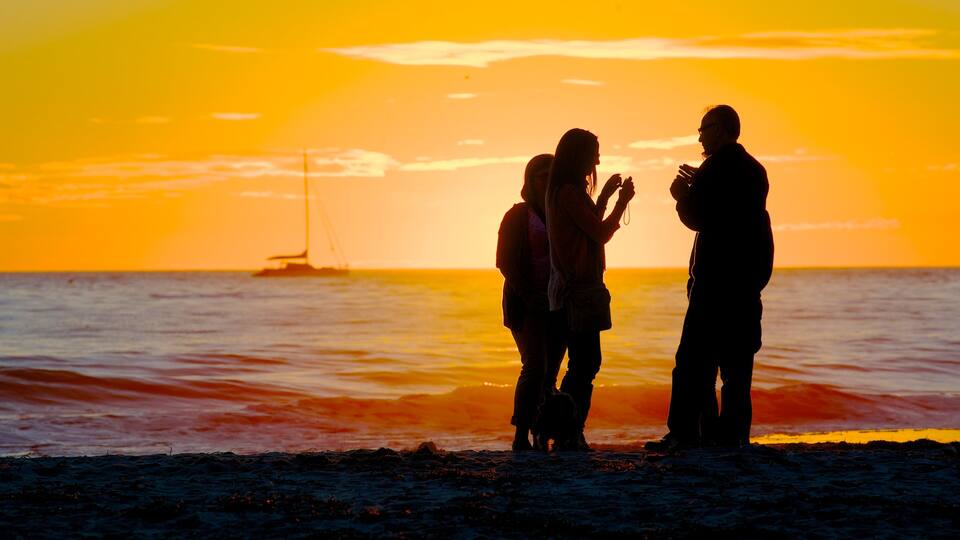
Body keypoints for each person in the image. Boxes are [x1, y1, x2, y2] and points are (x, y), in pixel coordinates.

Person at [649, 105, 774, 451]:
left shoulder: (716, 169)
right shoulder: (754, 170)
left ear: (720, 129)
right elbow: (737, 217)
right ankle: (731, 436)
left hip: (715, 282)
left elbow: (702, 217)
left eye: (704, 128)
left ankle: (687, 433)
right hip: (745, 283)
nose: (700, 135)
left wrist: (681, 196)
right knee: (736, 368)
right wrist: (699, 184)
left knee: (693, 363)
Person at [545, 128, 635, 451]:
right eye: (594, 152)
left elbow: (585, 226)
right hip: (577, 294)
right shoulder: (568, 192)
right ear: (579, 155)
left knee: (582, 364)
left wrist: (605, 198)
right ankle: (569, 432)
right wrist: (621, 203)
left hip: (571, 292)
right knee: (585, 365)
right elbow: (598, 233)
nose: (598, 158)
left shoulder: (564, 191)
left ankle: (568, 432)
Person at [497, 154, 568, 451]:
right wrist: (530, 296)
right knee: (534, 367)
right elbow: (505, 262)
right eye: (541, 175)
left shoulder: (562, 211)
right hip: (526, 303)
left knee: (550, 372)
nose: (546, 180)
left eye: (552, 174)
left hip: (559, 302)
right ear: (530, 179)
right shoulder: (517, 215)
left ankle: (543, 434)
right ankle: (520, 435)